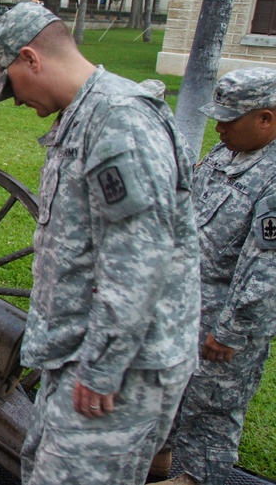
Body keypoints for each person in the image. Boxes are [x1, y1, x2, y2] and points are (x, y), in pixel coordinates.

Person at [0, 2, 201, 485]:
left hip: (121, 371)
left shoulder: (119, 122)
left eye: (11, 84)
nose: (15, 101)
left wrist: (102, 368)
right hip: (79, 354)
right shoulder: (83, 117)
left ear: (30, 58)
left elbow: (139, 259)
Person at [149, 68, 276, 485]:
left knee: (210, 415)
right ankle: (160, 466)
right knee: (170, 397)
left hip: (226, 324)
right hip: (189, 306)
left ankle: (198, 478)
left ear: (266, 119)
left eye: (229, 119)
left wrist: (231, 333)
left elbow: (265, 270)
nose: (218, 126)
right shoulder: (227, 154)